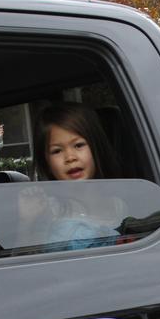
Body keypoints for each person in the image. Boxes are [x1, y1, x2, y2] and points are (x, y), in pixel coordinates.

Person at [25, 103, 127, 248]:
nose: (70, 157)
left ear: (95, 147)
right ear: (46, 162)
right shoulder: (48, 209)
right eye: (57, 151)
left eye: (78, 145)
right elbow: (28, 257)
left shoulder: (118, 205)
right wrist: (27, 223)